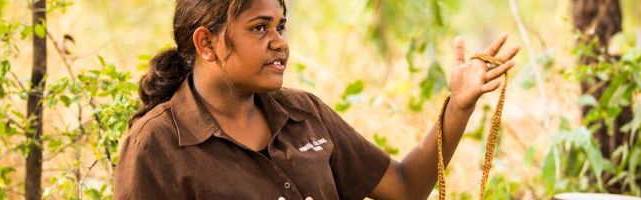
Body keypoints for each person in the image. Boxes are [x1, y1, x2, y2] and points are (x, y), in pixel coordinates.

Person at [114, 0, 520, 199]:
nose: (279, 43)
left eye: (281, 27)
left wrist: (460, 104)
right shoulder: (157, 143)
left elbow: (404, 187)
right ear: (206, 43)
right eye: (259, 28)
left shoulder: (302, 113)